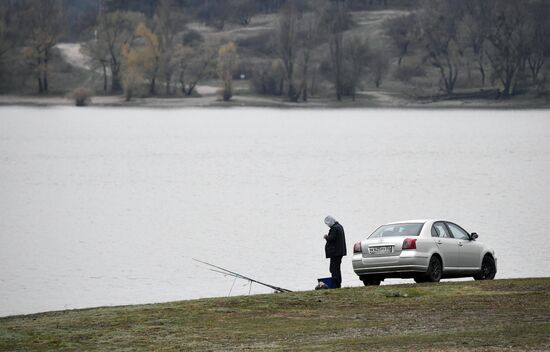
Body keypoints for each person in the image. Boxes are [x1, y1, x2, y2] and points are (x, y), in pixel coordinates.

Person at [323, 215, 347, 288]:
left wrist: (326, 237)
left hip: (335, 253)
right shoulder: (339, 226)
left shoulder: (334, 228)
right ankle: (338, 283)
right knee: (336, 268)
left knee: (334, 269)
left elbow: (332, 238)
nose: (328, 225)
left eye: (327, 223)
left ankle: (336, 284)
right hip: (339, 252)